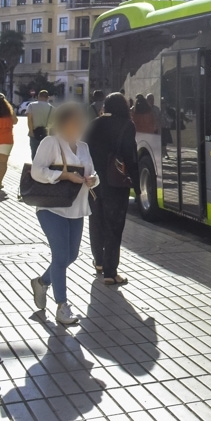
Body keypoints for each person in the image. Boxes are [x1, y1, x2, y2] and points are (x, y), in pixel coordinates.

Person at [29, 103, 99, 325]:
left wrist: (93, 180)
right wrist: (64, 176)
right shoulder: (51, 142)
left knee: (71, 256)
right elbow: (36, 170)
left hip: (76, 208)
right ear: (63, 122)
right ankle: (62, 306)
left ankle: (42, 282)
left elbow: (94, 174)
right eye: (75, 121)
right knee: (60, 256)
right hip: (52, 208)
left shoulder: (84, 147)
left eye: (81, 121)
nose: (79, 125)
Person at [85, 92, 138, 285]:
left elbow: (83, 153)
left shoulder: (93, 124)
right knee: (114, 227)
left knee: (96, 221)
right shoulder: (126, 125)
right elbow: (131, 156)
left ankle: (99, 262)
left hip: (94, 182)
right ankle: (110, 272)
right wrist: (138, 185)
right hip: (116, 184)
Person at [26, 90, 53, 157]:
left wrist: (31, 131)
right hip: (46, 135)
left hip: (34, 133)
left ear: (38, 96)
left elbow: (29, 119)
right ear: (48, 98)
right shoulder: (52, 108)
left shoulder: (31, 105)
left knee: (34, 154)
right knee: (46, 155)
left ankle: (35, 166)